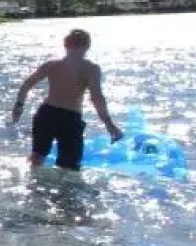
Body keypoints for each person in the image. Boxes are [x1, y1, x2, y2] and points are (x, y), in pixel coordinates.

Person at [10, 28, 124, 170]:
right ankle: (64, 192)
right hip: (70, 118)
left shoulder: (51, 65)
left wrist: (18, 107)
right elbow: (96, 98)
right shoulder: (91, 68)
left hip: (46, 114)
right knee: (69, 167)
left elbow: (26, 85)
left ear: (65, 45)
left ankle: (32, 189)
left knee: (36, 159)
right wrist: (109, 125)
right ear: (87, 46)